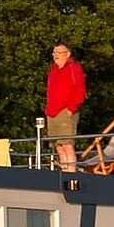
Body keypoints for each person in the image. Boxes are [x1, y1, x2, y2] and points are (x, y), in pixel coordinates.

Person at [46, 42, 87, 172]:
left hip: (65, 111)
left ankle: (71, 175)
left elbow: (80, 90)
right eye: (54, 53)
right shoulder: (53, 70)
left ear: (67, 54)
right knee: (58, 146)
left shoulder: (74, 68)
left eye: (59, 52)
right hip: (52, 112)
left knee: (67, 144)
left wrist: (71, 108)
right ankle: (64, 173)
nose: (55, 55)